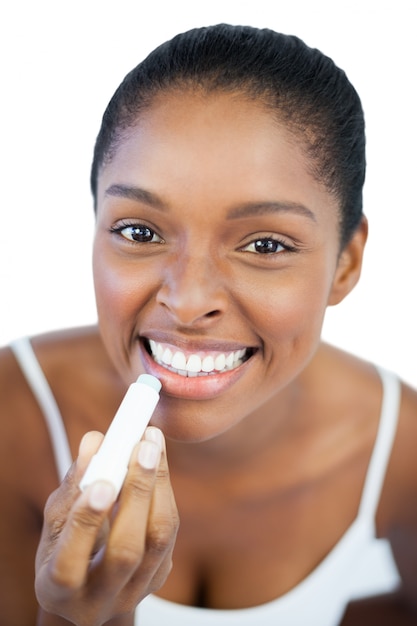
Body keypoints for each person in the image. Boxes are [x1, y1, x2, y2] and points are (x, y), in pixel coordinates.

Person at [1, 23, 416, 626]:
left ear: (346, 262)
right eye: (139, 232)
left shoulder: (403, 455)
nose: (188, 301)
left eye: (266, 245)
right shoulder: (12, 415)